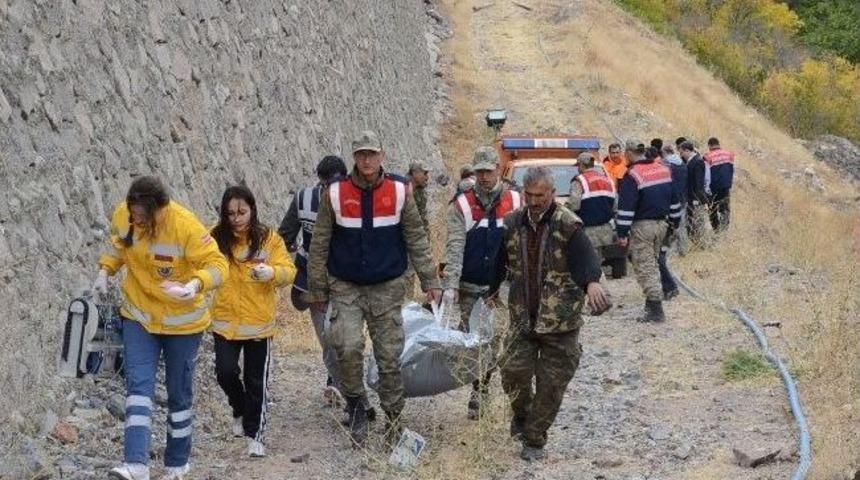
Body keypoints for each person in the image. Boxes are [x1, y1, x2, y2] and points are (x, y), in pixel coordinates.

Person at [305, 130, 442, 446]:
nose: (366, 160)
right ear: (354, 157)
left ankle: (393, 419)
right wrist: (317, 290)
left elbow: (416, 238)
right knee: (347, 347)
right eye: (361, 154)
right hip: (346, 287)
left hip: (387, 287)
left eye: (372, 154)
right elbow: (320, 243)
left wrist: (430, 280)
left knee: (389, 357)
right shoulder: (335, 193)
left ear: (382, 155)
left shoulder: (399, 191)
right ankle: (356, 408)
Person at [94, 176, 229, 480]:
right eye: (133, 214)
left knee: (179, 395)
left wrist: (195, 285)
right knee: (138, 388)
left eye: (142, 215)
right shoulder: (124, 215)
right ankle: (135, 465)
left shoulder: (185, 226)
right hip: (139, 317)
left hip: (183, 326)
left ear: (158, 210)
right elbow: (119, 247)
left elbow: (218, 266)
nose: (136, 220)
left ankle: (177, 464)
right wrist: (105, 271)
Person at [489, 166, 610, 461]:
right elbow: (498, 262)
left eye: (540, 196)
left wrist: (592, 282)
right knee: (513, 372)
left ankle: (534, 438)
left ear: (552, 193)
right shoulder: (512, 223)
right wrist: (489, 290)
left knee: (551, 384)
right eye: (528, 195)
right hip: (522, 318)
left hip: (560, 322)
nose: (533, 201)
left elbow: (586, 260)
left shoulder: (568, 224)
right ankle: (522, 415)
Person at [209, 185, 296, 459]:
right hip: (225, 321)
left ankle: (256, 435)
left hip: (259, 323)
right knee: (224, 372)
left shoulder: (268, 238)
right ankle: (239, 406)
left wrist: (271, 272)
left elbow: (289, 271)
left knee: (256, 381)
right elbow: (199, 262)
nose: (236, 218)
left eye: (242, 212)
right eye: (231, 213)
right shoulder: (214, 237)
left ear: (252, 210)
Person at [442, 146, 522, 419]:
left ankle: (481, 390)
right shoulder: (462, 204)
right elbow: (454, 246)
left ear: (498, 170)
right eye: (480, 172)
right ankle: (476, 383)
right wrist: (450, 285)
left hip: (501, 288)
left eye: (489, 171)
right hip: (469, 285)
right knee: (470, 341)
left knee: (493, 338)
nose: (485, 177)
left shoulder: (515, 200)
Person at [277, 155, 350, 405]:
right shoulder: (352, 197)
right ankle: (340, 385)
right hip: (340, 279)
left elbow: (283, 236)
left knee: (330, 336)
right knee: (335, 337)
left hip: (317, 279)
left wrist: (294, 249)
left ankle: (340, 385)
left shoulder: (303, 198)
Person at [615, 141, 681, 323]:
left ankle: (655, 309)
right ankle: (651, 303)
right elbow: (675, 201)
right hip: (663, 224)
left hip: (643, 227)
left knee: (645, 267)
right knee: (654, 262)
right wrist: (675, 222)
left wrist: (621, 233)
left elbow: (626, 209)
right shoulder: (663, 170)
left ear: (628, 153)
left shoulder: (632, 175)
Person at [566, 152, 617, 265]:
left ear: (582, 165)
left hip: (587, 231)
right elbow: (615, 206)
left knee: (588, 264)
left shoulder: (580, 180)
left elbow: (573, 205)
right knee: (597, 262)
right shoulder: (608, 180)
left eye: (578, 166)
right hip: (605, 231)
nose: (577, 169)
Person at [658, 144, 688, 299]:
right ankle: (682, 249)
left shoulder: (666, 167)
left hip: (668, 206)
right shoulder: (682, 164)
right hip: (681, 200)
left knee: (659, 255)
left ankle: (669, 287)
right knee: (680, 226)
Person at [679, 141, 709, 248]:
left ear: (687, 150)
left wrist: (697, 200)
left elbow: (698, 184)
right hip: (690, 198)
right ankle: (697, 244)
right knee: (691, 223)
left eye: (682, 152)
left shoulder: (698, 162)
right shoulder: (691, 161)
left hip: (696, 199)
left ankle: (702, 245)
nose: (681, 155)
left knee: (697, 223)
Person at [703, 137, 735, 233]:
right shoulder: (729, 154)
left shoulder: (707, 156)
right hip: (726, 187)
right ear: (718, 144)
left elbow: (707, 174)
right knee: (725, 209)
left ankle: (716, 230)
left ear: (709, 146)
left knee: (712, 209)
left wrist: (706, 187)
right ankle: (724, 229)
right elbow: (732, 170)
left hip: (714, 188)